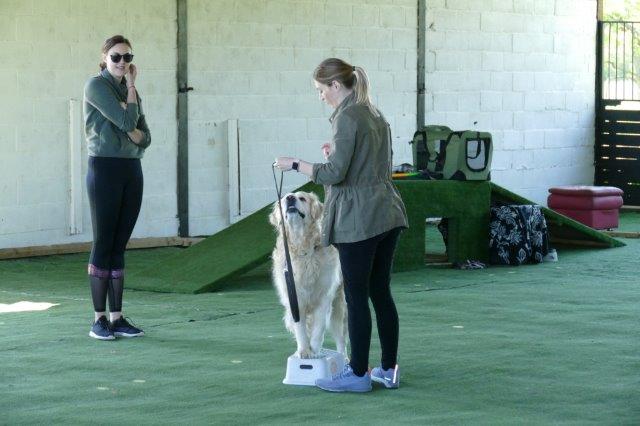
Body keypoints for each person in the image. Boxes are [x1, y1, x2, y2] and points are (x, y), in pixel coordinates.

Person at [275, 58, 408, 392]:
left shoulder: (347, 116)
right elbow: (368, 163)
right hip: (388, 211)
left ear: (336, 86)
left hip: (359, 219)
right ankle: (388, 369)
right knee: (380, 292)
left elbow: (334, 174)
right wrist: (334, 153)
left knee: (356, 296)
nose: (320, 96)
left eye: (321, 90)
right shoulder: (374, 113)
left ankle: (359, 373)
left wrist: (296, 164)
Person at [83, 35, 151, 340]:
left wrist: (131, 93)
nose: (122, 62)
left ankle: (117, 317)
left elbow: (145, 136)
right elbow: (127, 123)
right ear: (104, 58)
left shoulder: (129, 90)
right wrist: (130, 113)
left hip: (131, 169)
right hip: (105, 169)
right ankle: (99, 320)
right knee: (104, 242)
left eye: (127, 57)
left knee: (119, 244)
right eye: (116, 57)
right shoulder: (95, 86)